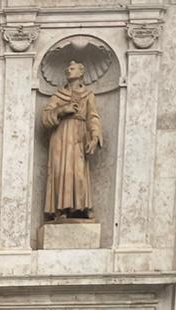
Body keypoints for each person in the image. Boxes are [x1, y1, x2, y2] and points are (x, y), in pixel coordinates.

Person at [42, 61, 103, 221]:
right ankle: (60, 209)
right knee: (61, 171)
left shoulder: (88, 95)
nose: (68, 70)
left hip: (79, 136)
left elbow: (93, 116)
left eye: (72, 68)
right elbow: (45, 117)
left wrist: (95, 136)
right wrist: (62, 110)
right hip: (61, 137)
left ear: (81, 72)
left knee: (78, 172)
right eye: (67, 68)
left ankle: (81, 207)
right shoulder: (58, 96)